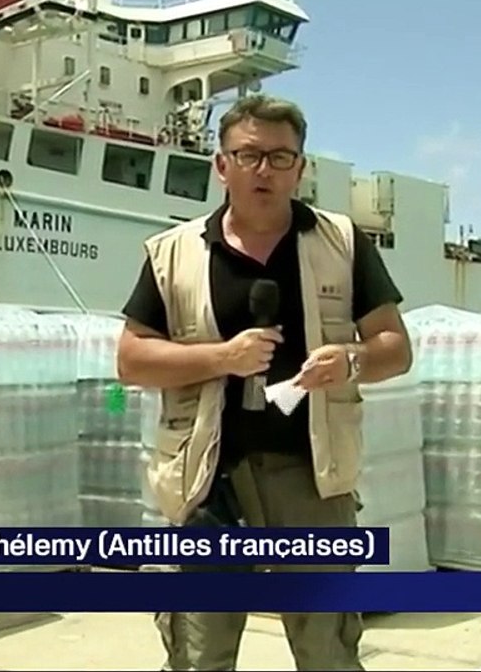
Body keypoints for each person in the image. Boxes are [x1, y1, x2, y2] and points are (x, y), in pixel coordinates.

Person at [117, 94, 413, 671]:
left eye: (281, 158)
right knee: (198, 654)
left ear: (301, 169)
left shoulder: (344, 244)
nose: (264, 171)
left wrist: (350, 362)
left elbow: (394, 347)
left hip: (312, 477)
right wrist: (222, 357)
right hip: (208, 478)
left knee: (327, 651)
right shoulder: (171, 254)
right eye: (249, 155)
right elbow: (131, 359)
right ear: (220, 165)